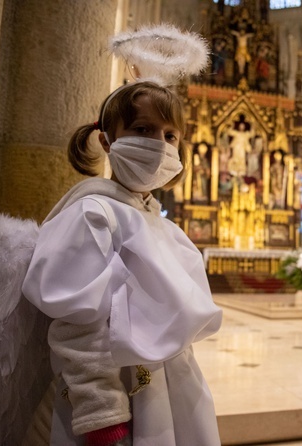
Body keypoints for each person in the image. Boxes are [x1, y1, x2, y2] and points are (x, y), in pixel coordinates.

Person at [21, 81, 223, 446]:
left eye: (171, 135)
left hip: (171, 389)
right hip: (114, 400)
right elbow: (77, 325)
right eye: (142, 129)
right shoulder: (92, 213)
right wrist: (102, 416)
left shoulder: (162, 226)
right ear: (106, 140)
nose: (159, 144)